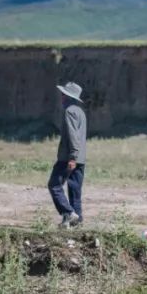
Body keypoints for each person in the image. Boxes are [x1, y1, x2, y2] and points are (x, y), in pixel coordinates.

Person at [48, 81, 87, 228]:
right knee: (74, 190)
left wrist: (72, 157)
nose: (61, 96)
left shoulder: (69, 111)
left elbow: (73, 135)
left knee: (54, 185)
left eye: (63, 94)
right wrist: (77, 156)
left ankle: (69, 213)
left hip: (69, 157)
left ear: (68, 96)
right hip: (81, 158)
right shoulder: (80, 111)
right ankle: (77, 222)